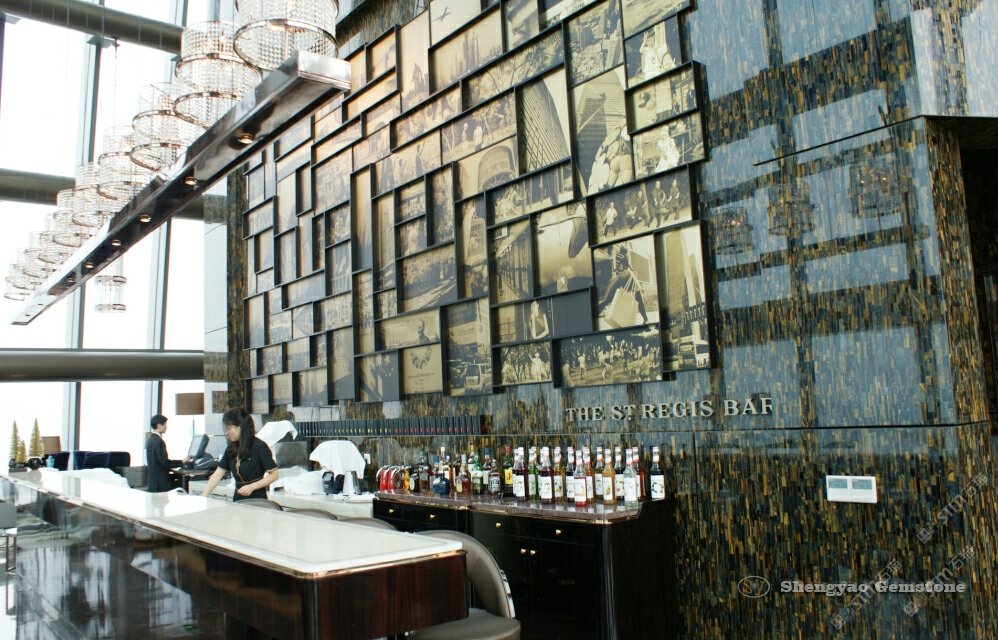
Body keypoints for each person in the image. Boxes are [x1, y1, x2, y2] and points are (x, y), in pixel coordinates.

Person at [200, 409, 279, 502]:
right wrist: (203, 496)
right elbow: (218, 474)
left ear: (240, 427)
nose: (227, 433)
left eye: (229, 429)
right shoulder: (232, 447)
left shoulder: (259, 446)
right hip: (238, 498)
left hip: (257, 498)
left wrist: (252, 487)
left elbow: (274, 475)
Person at [146, 415, 189, 493]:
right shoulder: (159, 442)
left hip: (153, 483)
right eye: (165, 425)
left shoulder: (150, 440)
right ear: (159, 425)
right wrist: (181, 462)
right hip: (161, 483)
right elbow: (165, 463)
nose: (166, 427)